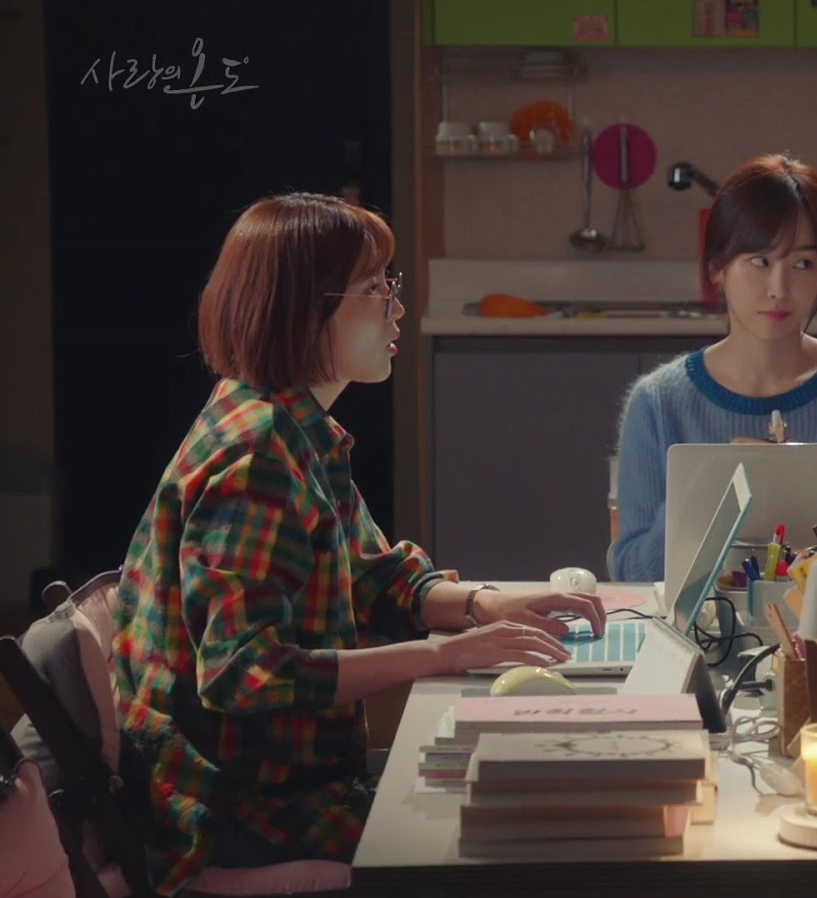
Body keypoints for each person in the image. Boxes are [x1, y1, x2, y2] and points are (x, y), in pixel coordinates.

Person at [111, 192, 606, 895]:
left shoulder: (294, 429)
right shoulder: (257, 459)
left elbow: (376, 579)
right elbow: (244, 672)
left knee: (533, 802)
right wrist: (444, 655)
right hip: (236, 811)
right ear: (301, 310)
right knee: (531, 834)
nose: (396, 308)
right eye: (374, 289)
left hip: (285, 786)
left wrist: (486, 605)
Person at [608, 153, 817, 583]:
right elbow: (632, 574)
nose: (779, 289)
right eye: (760, 261)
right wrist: (711, 491)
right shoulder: (658, 402)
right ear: (717, 268)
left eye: (803, 264)